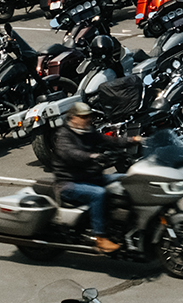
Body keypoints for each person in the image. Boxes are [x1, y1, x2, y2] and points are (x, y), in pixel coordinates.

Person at [52, 102, 136, 253]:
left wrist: (132, 141)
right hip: (69, 183)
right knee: (98, 194)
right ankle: (100, 238)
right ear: (73, 118)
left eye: (89, 116)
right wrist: (93, 156)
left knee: (127, 178)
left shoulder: (88, 132)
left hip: (91, 178)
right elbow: (71, 153)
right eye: (84, 117)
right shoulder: (64, 135)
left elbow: (109, 141)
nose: (88, 119)